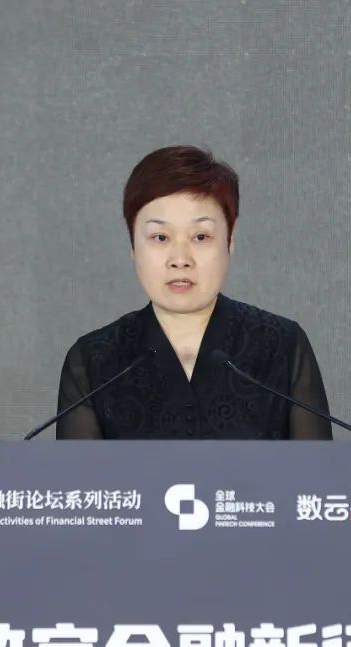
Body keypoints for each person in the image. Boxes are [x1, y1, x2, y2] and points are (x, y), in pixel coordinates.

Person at [55, 145, 332, 440]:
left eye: (200, 236)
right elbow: (79, 470)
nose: (180, 259)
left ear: (230, 242)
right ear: (133, 246)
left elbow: (316, 468)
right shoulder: (93, 361)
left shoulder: (282, 345)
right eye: (160, 237)